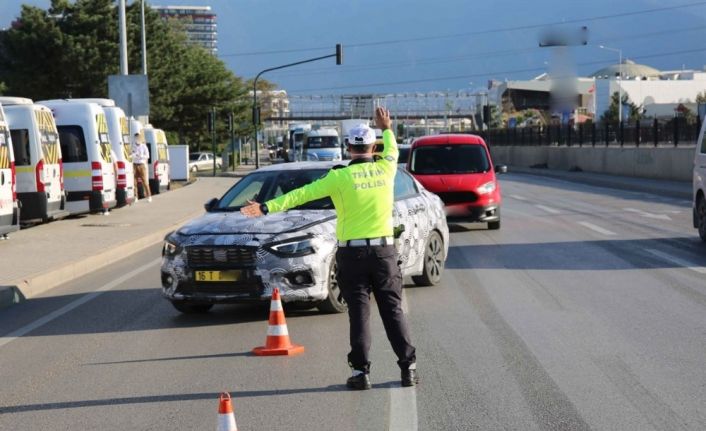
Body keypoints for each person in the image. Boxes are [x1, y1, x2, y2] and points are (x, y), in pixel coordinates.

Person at [241, 107, 418, 390]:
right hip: (384, 253)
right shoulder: (386, 169)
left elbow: (301, 195)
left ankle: (361, 373)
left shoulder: (338, 178)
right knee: (393, 310)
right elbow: (392, 149)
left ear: (348, 148)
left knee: (359, 314)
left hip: (352, 255)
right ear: (373, 147)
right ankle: (408, 368)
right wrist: (386, 127)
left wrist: (265, 207)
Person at [132, 131, 151, 202]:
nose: (137, 138)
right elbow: (130, 154)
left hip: (141, 164)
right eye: (136, 137)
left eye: (138, 137)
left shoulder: (143, 146)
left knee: (144, 181)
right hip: (134, 164)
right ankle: (136, 196)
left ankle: (149, 196)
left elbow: (148, 156)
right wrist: (134, 155)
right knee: (134, 182)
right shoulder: (133, 145)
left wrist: (141, 156)